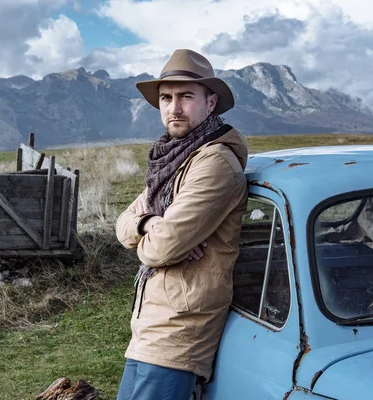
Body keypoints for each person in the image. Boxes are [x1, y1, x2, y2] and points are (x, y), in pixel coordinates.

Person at [115, 49, 249, 400]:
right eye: (166, 97)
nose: (174, 108)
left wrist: (151, 233)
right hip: (149, 324)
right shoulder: (173, 160)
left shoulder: (214, 163)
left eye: (186, 97)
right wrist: (148, 223)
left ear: (210, 103)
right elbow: (123, 224)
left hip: (180, 330)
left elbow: (160, 249)